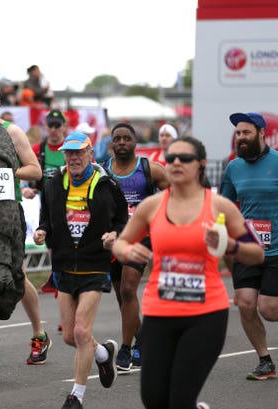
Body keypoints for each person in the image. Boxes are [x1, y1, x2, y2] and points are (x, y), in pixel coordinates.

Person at [113, 135, 265, 408]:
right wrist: (125, 251)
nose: (176, 163)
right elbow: (122, 242)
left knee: (180, 400)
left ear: (201, 164)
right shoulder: (153, 205)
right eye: (170, 158)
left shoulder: (219, 206)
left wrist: (229, 244)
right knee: (153, 399)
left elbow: (256, 253)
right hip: (160, 313)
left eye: (185, 158)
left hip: (205, 315)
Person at [34, 132, 125, 408]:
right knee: (71, 336)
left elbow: (123, 220)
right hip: (64, 267)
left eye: (78, 153)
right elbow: (46, 219)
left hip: (94, 266)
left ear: (89, 154)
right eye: (69, 153)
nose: (73, 158)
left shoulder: (106, 185)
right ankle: (102, 354)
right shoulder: (53, 185)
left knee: (83, 331)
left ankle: (77, 396)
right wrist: (41, 231)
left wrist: (114, 234)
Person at [0, 80, 51, 365]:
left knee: (16, 275)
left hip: (7, 211)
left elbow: (36, 170)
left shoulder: (11, 131)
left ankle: (39, 334)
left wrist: (4, 172)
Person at [104, 122, 168, 372]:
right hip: (115, 238)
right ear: (112, 143)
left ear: (134, 143)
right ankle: (142, 339)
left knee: (130, 289)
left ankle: (126, 348)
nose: (121, 142)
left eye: (126, 138)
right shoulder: (104, 171)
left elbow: (173, 194)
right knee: (123, 297)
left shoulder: (150, 169)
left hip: (142, 238)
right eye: (117, 138)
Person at [220, 112, 278, 381]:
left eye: (246, 133)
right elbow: (226, 207)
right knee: (245, 303)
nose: (240, 138)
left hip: (277, 250)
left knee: (269, 309)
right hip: (247, 248)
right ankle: (265, 360)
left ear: (261, 134)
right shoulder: (233, 167)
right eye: (238, 134)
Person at [25, 109, 69, 199]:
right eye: (50, 125)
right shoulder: (36, 149)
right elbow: (21, 172)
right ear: (45, 126)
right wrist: (24, 188)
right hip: (43, 202)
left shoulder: (71, 150)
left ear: (64, 126)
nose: (53, 129)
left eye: (57, 125)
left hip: (67, 201)